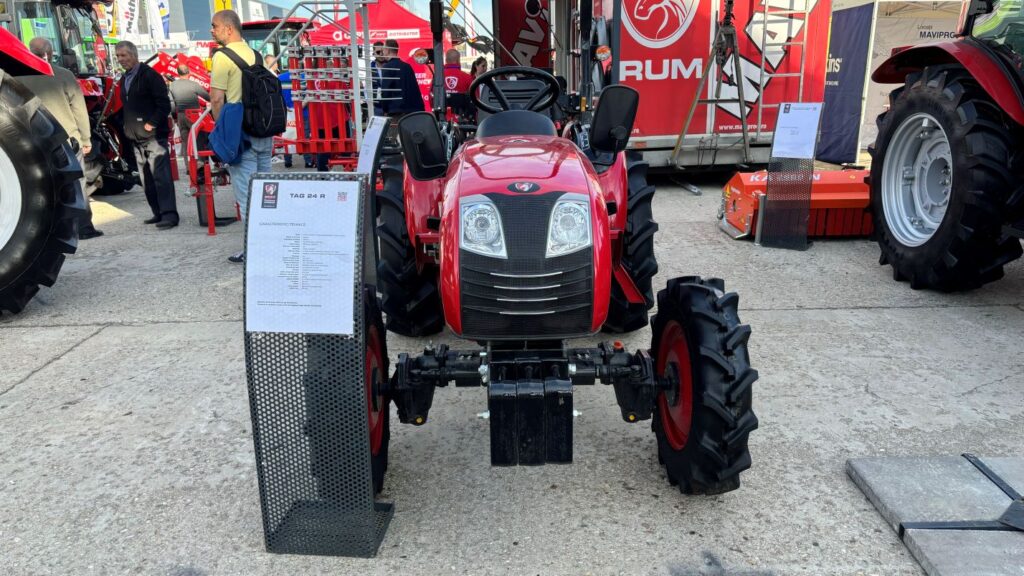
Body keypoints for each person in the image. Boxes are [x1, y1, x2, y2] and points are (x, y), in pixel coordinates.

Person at [16, 38, 102, 239]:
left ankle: (49, 230)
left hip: (34, 140)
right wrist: (86, 139)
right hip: (67, 139)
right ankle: (83, 228)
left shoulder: (17, 76)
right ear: (50, 52)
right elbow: (79, 110)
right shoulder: (63, 75)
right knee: (77, 185)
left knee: (42, 186)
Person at [209, 9, 274, 263]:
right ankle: (271, 244)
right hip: (263, 132)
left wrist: (219, 129)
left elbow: (216, 98)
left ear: (228, 29)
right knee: (268, 193)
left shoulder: (222, 57)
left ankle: (255, 252)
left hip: (240, 136)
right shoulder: (256, 55)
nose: (212, 31)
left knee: (247, 197)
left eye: (214, 26)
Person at [115, 40, 178, 229]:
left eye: (123, 55)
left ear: (133, 55)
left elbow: (164, 104)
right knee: (146, 179)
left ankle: (169, 215)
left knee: (161, 177)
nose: (120, 59)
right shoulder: (124, 78)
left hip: (153, 137)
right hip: (135, 137)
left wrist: (151, 124)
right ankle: (157, 213)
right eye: (118, 56)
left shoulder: (150, 76)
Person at [168, 64, 209, 157]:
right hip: (194, 115)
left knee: (185, 141)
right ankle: (200, 164)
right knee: (199, 138)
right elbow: (207, 97)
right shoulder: (194, 85)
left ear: (178, 73)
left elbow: (171, 103)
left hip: (181, 116)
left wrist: (175, 117)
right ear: (189, 72)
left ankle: (189, 167)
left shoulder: (172, 85)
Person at [379, 39, 423, 122]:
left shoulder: (387, 67)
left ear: (388, 50)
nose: (382, 53)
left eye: (383, 50)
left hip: (396, 112)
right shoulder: (407, 66)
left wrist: (384, 109)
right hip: (412, 112)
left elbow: (385, 91)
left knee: (393, 134)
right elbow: (415, 89)